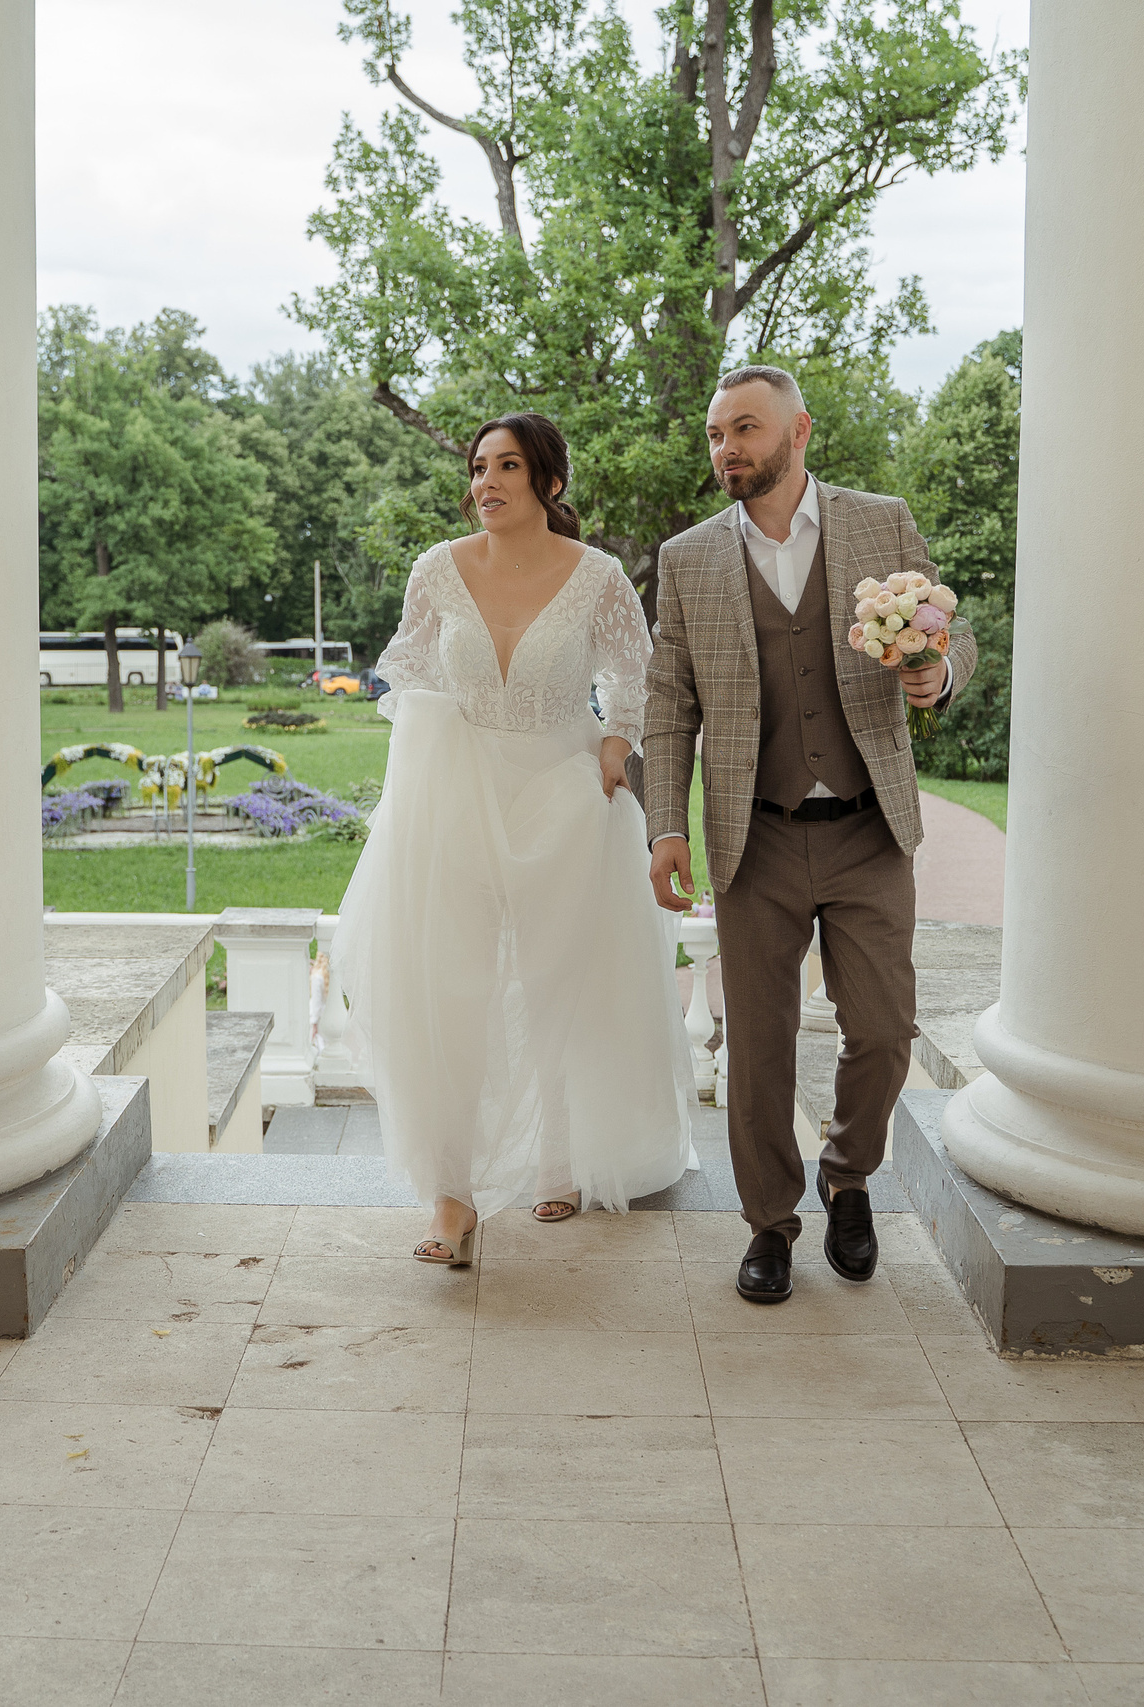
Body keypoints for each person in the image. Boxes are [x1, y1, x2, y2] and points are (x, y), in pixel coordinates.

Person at [642, 366, 976, 1303]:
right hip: (757, 836)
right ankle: (769, 1222)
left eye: (744, 429)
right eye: (715, 435)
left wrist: (935, 673)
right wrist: (666, 823)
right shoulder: (689, 557)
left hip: (871, 828)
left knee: (881, 1029)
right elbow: (667, 702)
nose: (726, 449)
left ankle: (848, 1172)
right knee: (756, 1043)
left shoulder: (881, 521)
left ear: (801, 432)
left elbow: (952, 627)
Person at [332, 413, 696, 1263]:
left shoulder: (598, 575)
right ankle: (451, 1200)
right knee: (451, 986)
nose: (484, 483)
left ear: (549, 484)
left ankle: (559, 1161)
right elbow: (406, 668)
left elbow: (633, 674)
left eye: (505, 467)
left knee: (556, 978)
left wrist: (616, 742)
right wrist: (437, 736)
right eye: (477, 468)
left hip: (563, 794)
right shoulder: (438, 568)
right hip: (455, 795)